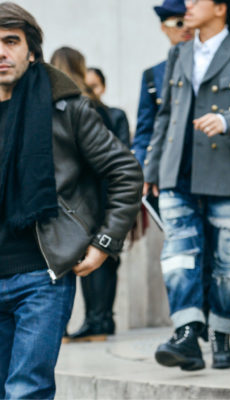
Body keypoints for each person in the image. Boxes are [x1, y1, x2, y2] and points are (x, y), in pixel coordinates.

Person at [0, 2, 142, 398]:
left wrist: (103, 244)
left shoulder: (67, 109)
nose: (1, 52)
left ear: (31, 50)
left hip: (41, 275)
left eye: (11, 41)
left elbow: (125, 172)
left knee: (26, 390)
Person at [143, 0, 230, 370]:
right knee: (179, 255)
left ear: (221, 8)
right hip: (176, 171)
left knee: (227, 262)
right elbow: (165, 114)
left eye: (196, 0)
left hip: (225, 172)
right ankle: (187, 332)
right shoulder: (179, 52)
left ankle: (221, 335)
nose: (187, 6)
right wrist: (151, 170)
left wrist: (226, 120)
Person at [50, 47, 131, 343]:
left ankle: (96, 321)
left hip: (82, 197)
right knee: (100, 258)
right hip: (102, 195)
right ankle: (99, 320)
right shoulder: (97, 109)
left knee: (89, 258)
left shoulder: (70, 109)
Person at [131, 0, 193, 166]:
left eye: (189, 21)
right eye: (179, 23)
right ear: (164, 27)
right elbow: (145, 132)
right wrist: (142, 170)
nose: (186, 28)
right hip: (166, 168)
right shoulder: (152, 75)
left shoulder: (208, 67)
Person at [86, 67, 131, 147]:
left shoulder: (117, 115)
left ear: (103, 87)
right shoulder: (76, 117)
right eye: (86, 88)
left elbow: (124, 148)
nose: (90, 92)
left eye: (94, 86)